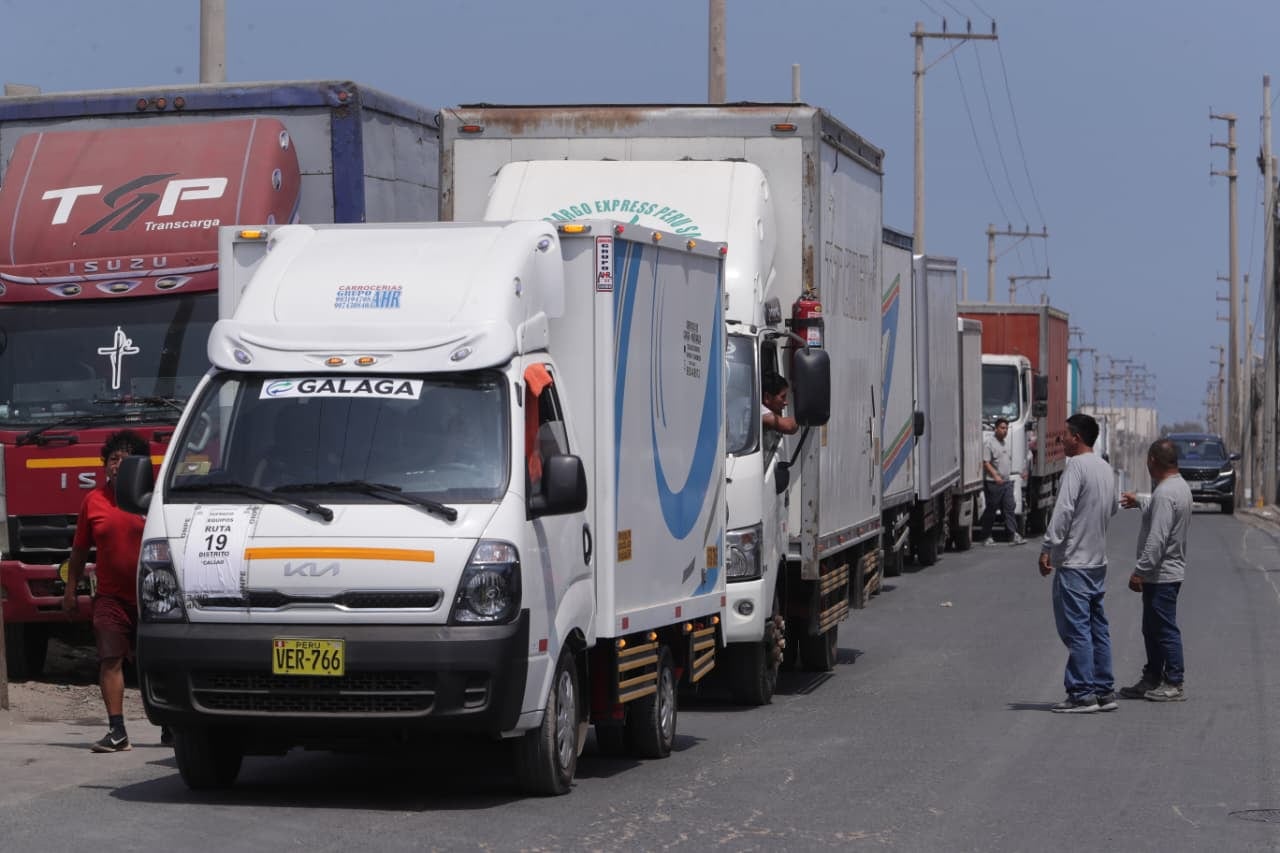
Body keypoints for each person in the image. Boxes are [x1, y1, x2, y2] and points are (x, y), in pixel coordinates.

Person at [62, 429, 153, 752]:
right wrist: (70, 592)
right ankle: (117, 732)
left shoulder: (154, 499)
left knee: (155, 662)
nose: (118, 465)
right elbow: (79, 552)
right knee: (110, 659)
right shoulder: (93, 501)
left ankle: (172, 725)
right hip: (111, 598)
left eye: (126, 460)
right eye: (113, 459)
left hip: (153, 596)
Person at [1038, 412, 1119, 713]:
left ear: (1078, 437)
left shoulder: (1075, 468)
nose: (1063, 441)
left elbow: (1062, 512)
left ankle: (1082, 693)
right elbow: (1111, 508)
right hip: (1097, 561)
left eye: (1066, 435)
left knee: (1077, 630)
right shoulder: (1105, 468)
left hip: (1074, 562)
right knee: (1098, 627)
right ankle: (1104, 690)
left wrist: (1047, 548)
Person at [1118, 438, 1192, 702]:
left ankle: (1174, 682)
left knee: (1164, 629)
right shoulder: (1178, 487)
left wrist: (1140, 570)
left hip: (1161, 574)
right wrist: (1139, 500)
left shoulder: (1165, 492)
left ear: (1152, 460)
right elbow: (1162, 509)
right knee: (1151, 628)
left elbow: (1158, 538)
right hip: (1165, 573)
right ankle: (1152, 677)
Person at [978, 417, 1024, 545]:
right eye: (1002, 428)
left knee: (1009, 508)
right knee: (991, 510)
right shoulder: (989, 443)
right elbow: (986, 463)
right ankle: (986, 536)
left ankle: (1012, 535)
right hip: (993, 483)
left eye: (1006, 429)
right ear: (996, 428)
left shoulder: (1005, 443)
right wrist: (995, 475)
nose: (1005, 431)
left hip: (1006, 482)